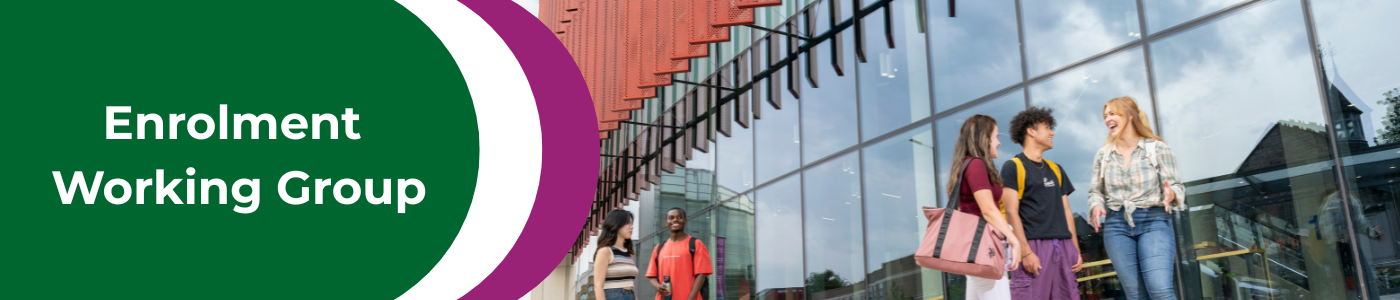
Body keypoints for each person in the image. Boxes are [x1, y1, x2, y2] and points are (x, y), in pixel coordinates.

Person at [1087, 96, 1185, 300]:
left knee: (1159, 289)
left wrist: (1171, 193)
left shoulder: (1157, 149)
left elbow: (1176, 184)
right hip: (1116, 225)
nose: (1107, 119)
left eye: (1112, 114)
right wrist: (1096, 205)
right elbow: (1095, 191)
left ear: (1130, 116)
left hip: (1153, 220)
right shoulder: (1103, 155)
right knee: (1136, 295)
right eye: (1105, 116)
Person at [1001, 107, 1083, 300]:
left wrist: (1075, 249)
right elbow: (1011, 213)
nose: (1052, 133)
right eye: (1047, 127)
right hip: (1033, 247)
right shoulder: (1013, 167)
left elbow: (1066, 211)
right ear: (1031, 131)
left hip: (1063, 247)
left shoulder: (1056, 169)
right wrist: (1025, 252)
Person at [947, 114, 1023, 300]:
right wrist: (1014, 240)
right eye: (996, 137)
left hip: (974, 248)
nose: (999, 143)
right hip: (983, 248)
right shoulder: (975, 165)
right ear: (984, 138)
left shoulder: (965, 165)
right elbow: (988, 210)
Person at [646, 208, 714, 300]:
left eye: (679, 217)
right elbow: (652, 277)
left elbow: (701, 276)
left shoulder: (696, 244)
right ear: (666, 222)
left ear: (685, 221)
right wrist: (658, 287)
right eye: (671, 218)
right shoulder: (659, 247)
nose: (675, 220)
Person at [594, 210, 639, 300]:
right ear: (617, 224)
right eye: (628, 223)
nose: (632, 227)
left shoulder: (629, 253)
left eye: (632, 224)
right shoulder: (605, 251)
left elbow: (629, 284)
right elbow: (598, 286)